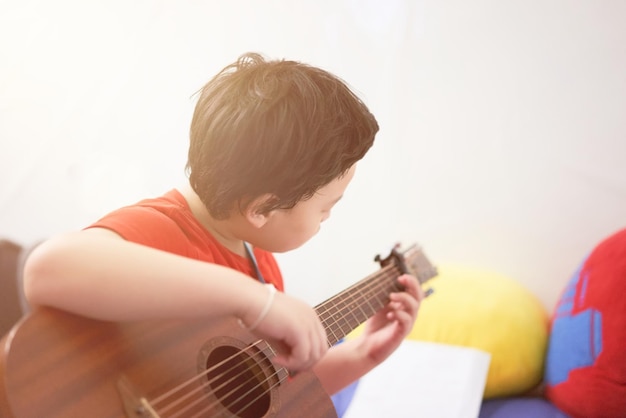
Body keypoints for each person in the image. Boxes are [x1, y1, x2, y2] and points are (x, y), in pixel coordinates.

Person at [23, 52, 424, 400]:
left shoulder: (258, 262)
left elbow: (254, 390)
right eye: (325, 208)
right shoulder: (160, 230)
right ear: (263, 209)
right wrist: (255, 300)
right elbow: (46, 268)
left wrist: (363, 353)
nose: (329, 218)